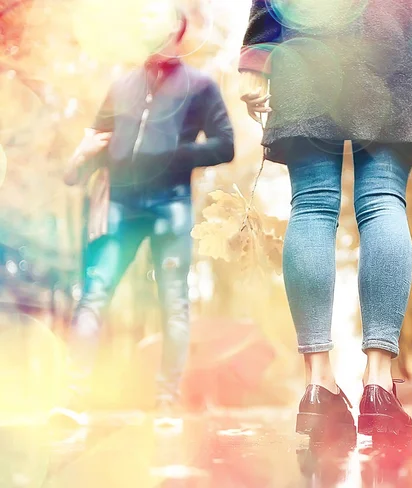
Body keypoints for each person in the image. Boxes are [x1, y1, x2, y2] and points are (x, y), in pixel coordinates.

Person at [239, 0, 412, 438]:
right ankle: (378, 386)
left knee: (311, 203)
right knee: (385, 198)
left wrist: (256, 53)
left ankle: (318, 385)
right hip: (399, 31)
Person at [54, 8, 234, 426]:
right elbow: (94, 145)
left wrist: (172, 154)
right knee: (94, 294)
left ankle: (166, 405)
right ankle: (73, 402)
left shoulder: (201, 86)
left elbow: (225, 145)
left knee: (173, 304)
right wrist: (77, 163)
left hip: (170, 206)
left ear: (175, 25)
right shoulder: (121, 86)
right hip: (118, 206)